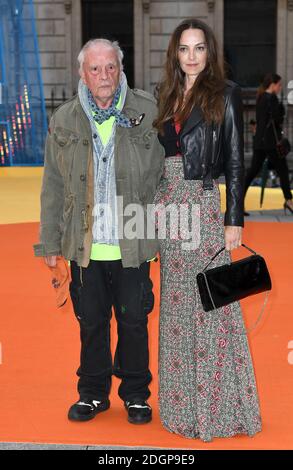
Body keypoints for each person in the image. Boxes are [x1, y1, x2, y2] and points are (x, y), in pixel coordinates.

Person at [34, 39, 164, 424]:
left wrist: (169, 230)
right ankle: (92, 393)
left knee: (134, 321)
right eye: (95, 69)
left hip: (133, 242)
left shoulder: (147, 112)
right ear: (82, 73)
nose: (104, 76)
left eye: (110, 67)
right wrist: (50, 242)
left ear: (121, 68)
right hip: (84, 244)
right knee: (90, 323)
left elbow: (165, 176)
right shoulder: (64, 120)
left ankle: (136, 394)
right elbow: (52, 185)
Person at [153, 19, 262, 442]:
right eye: (184, 49)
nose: (192, 56)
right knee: (178, 308)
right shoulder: (166, 95)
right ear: (175, 54)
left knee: (212, 305)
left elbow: (235, 159)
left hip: (200, 205)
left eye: (199, 48)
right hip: (167, 209)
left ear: (209, 52)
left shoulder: (226, 94)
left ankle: (217, 407)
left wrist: (234, 217)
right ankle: (180, 404)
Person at [244, 73, 293, 215]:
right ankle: (289, 201)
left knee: (253, 171)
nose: (280, 87)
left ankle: (238, 202)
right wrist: (282, 108)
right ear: (273, 85)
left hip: (260, 141)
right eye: (279, 85)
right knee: (283, 170)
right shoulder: (271, 98)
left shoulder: (260, 97)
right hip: (271, 143)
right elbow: (278, 119)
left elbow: (260, 119)